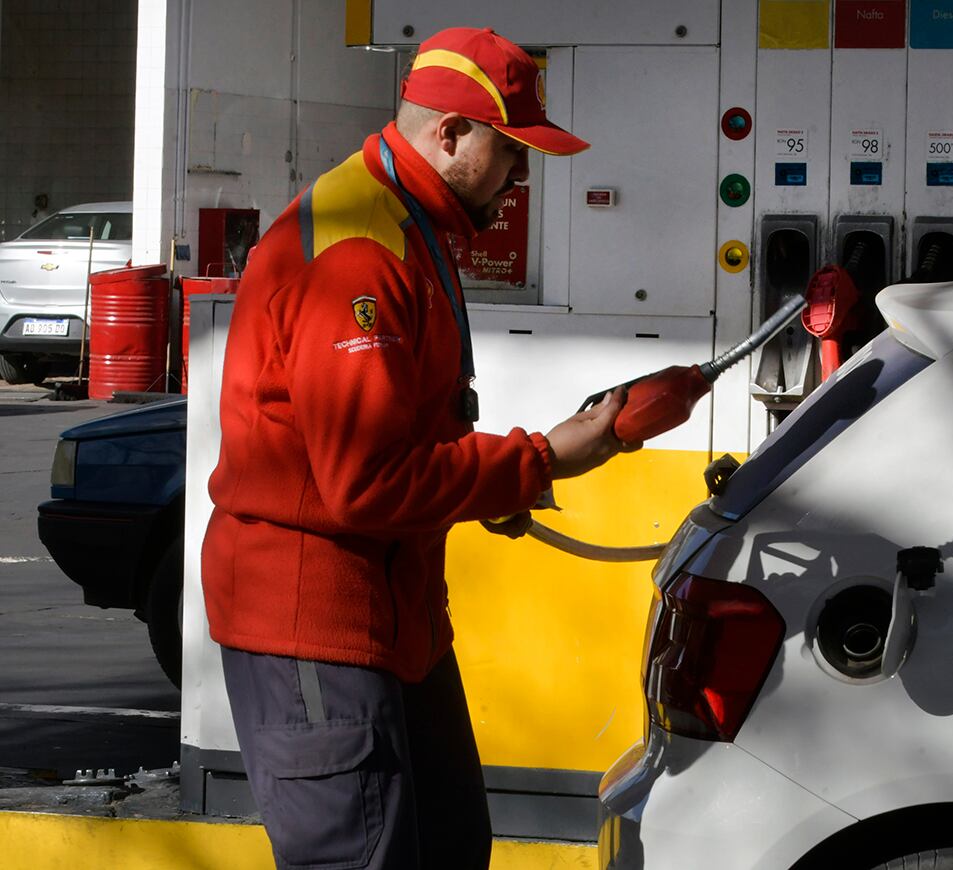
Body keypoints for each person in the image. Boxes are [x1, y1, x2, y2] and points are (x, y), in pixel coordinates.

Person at [202, 26, 635, 869]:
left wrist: (494, 489)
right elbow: (364, 482)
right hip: (317, 631)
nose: (522, 178)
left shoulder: (400, 221)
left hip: (394, 622)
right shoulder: (361, 252)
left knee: (448, 847)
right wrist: (542, 459)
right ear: (449, 135)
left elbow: (402, 434)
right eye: (511, 153)